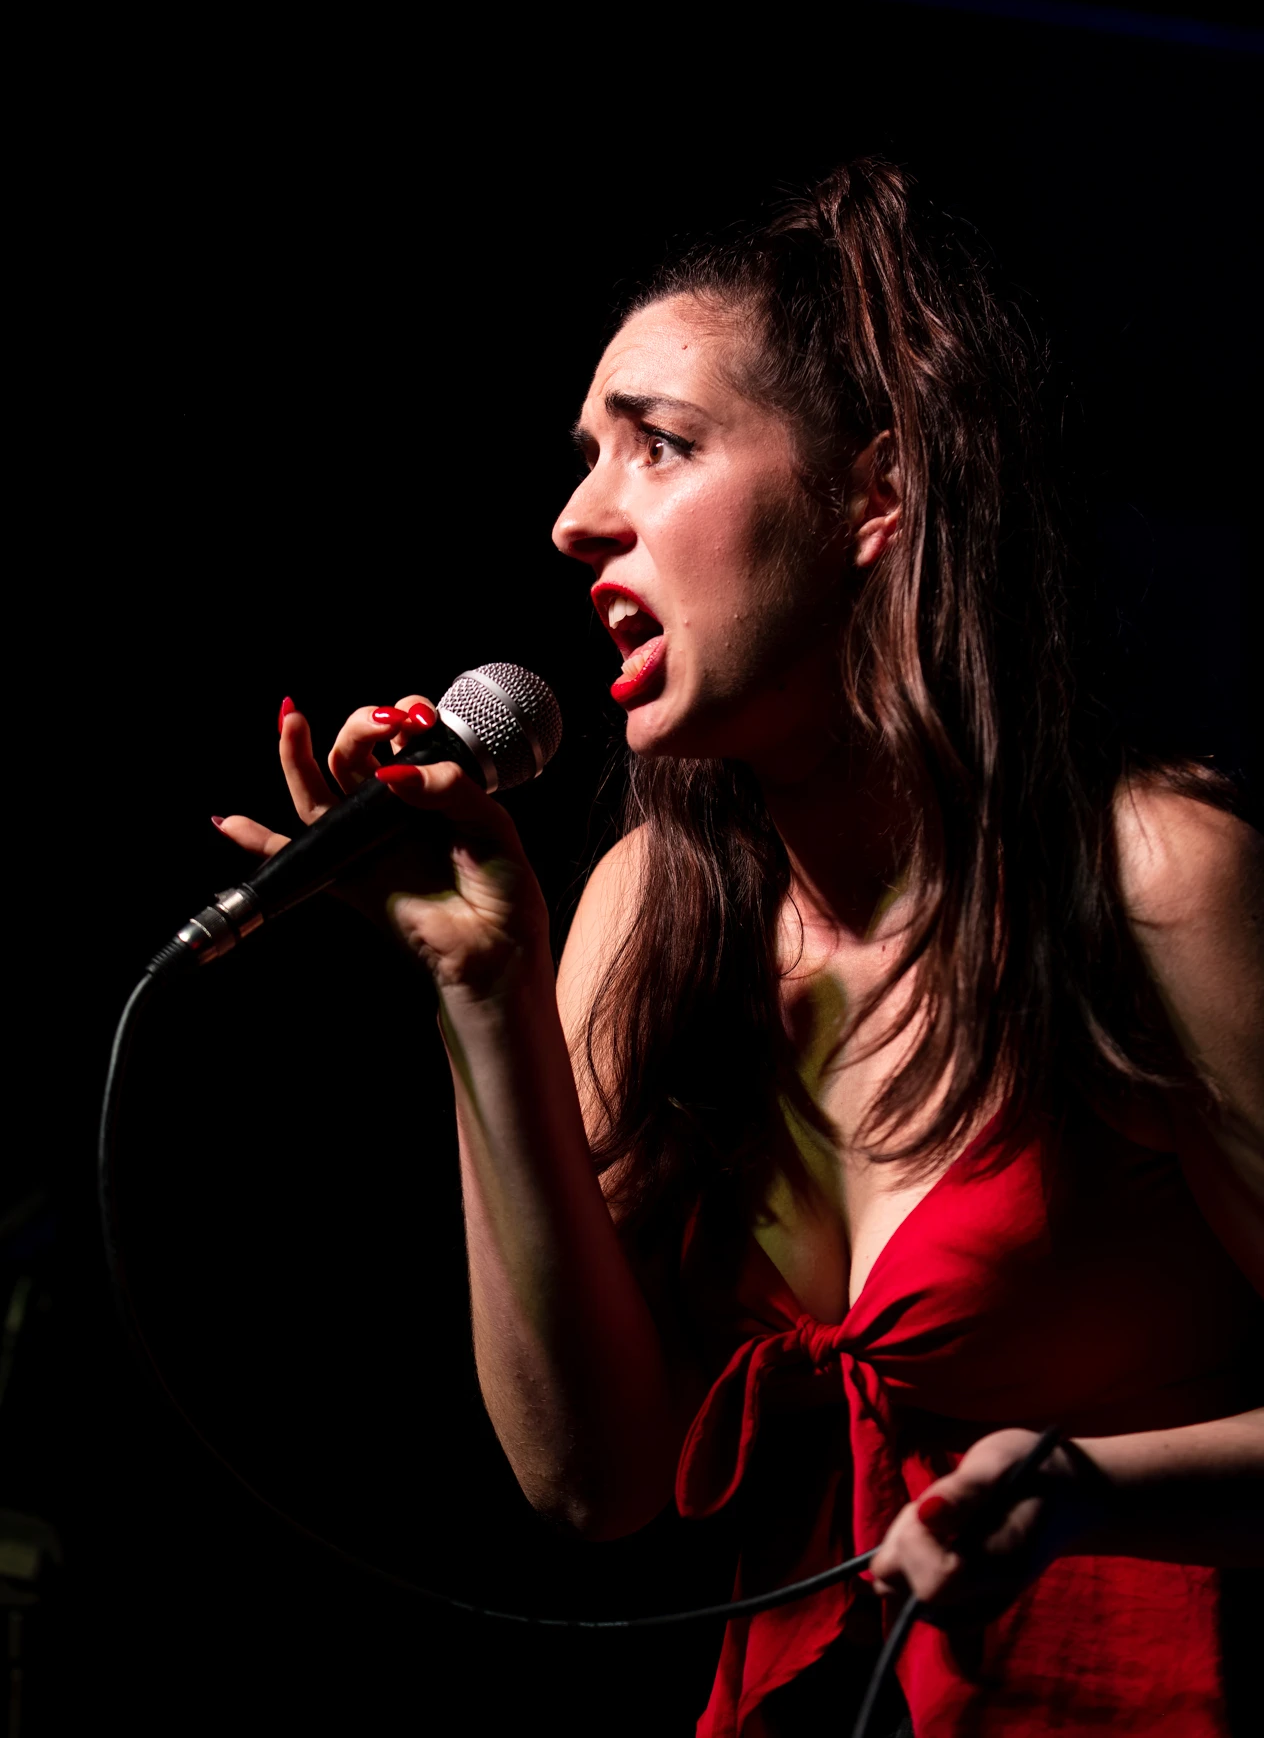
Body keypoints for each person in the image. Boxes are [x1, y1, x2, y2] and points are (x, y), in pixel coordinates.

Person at [219, 159, 1263, 1735]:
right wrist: (481, 990)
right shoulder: (647, 916)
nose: (579, 518)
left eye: (662, 444)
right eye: (586, 460)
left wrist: (1100, 1489)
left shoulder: (1145, 885)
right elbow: (592, 1486)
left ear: (875, 495)